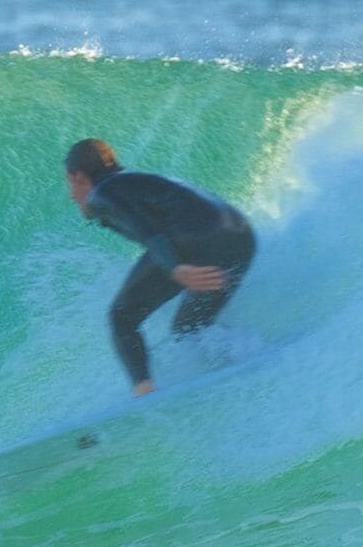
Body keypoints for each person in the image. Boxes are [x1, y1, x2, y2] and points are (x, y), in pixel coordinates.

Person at [65, 138, 255, 396]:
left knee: (121, 317)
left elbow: (147, 230)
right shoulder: (134, 181)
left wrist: (176, 268)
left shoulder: (102, 193)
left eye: (69, 184)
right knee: (190, 328)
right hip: (240, 237)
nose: (71, 195)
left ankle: (144, 393)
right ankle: (250, 355)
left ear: (78, 177)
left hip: (195, 238)